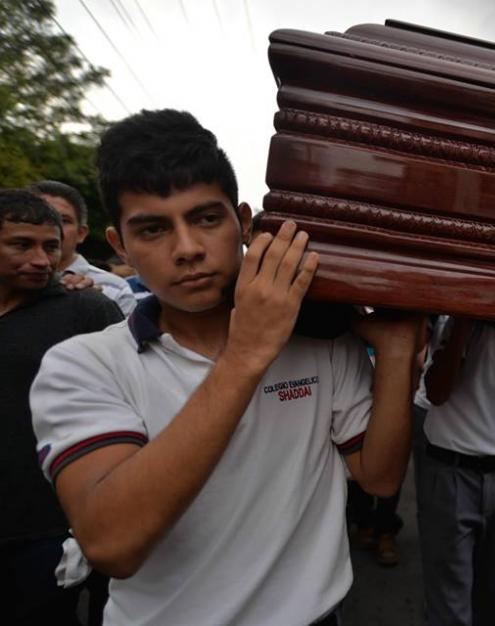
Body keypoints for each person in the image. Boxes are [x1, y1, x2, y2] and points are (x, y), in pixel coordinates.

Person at [29, 109, 423, 625]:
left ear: (243, 222)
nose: (188, 249)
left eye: (206, 219)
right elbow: (112, 545)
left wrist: (395, 353)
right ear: (120, 245)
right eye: (153, 229)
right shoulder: (82, 365)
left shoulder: (320, 341)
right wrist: (246, 355)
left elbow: (380, 477)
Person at [0, 189, 123, 625]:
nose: (40, 259)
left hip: (51, 528)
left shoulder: (86, 310)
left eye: (50, 246)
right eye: (21, 245)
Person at [419, 318, 495, 625]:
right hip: (450, 469)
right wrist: (461, 331)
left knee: (491, 597)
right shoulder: (452, 325)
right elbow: (438, 392)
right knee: (448, 606)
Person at [29, 180, 137, 316]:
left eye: (64, 220)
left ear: (81, 233)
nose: (51, 227)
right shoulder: (8, 284)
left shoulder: (114, 289)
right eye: (38, 217)